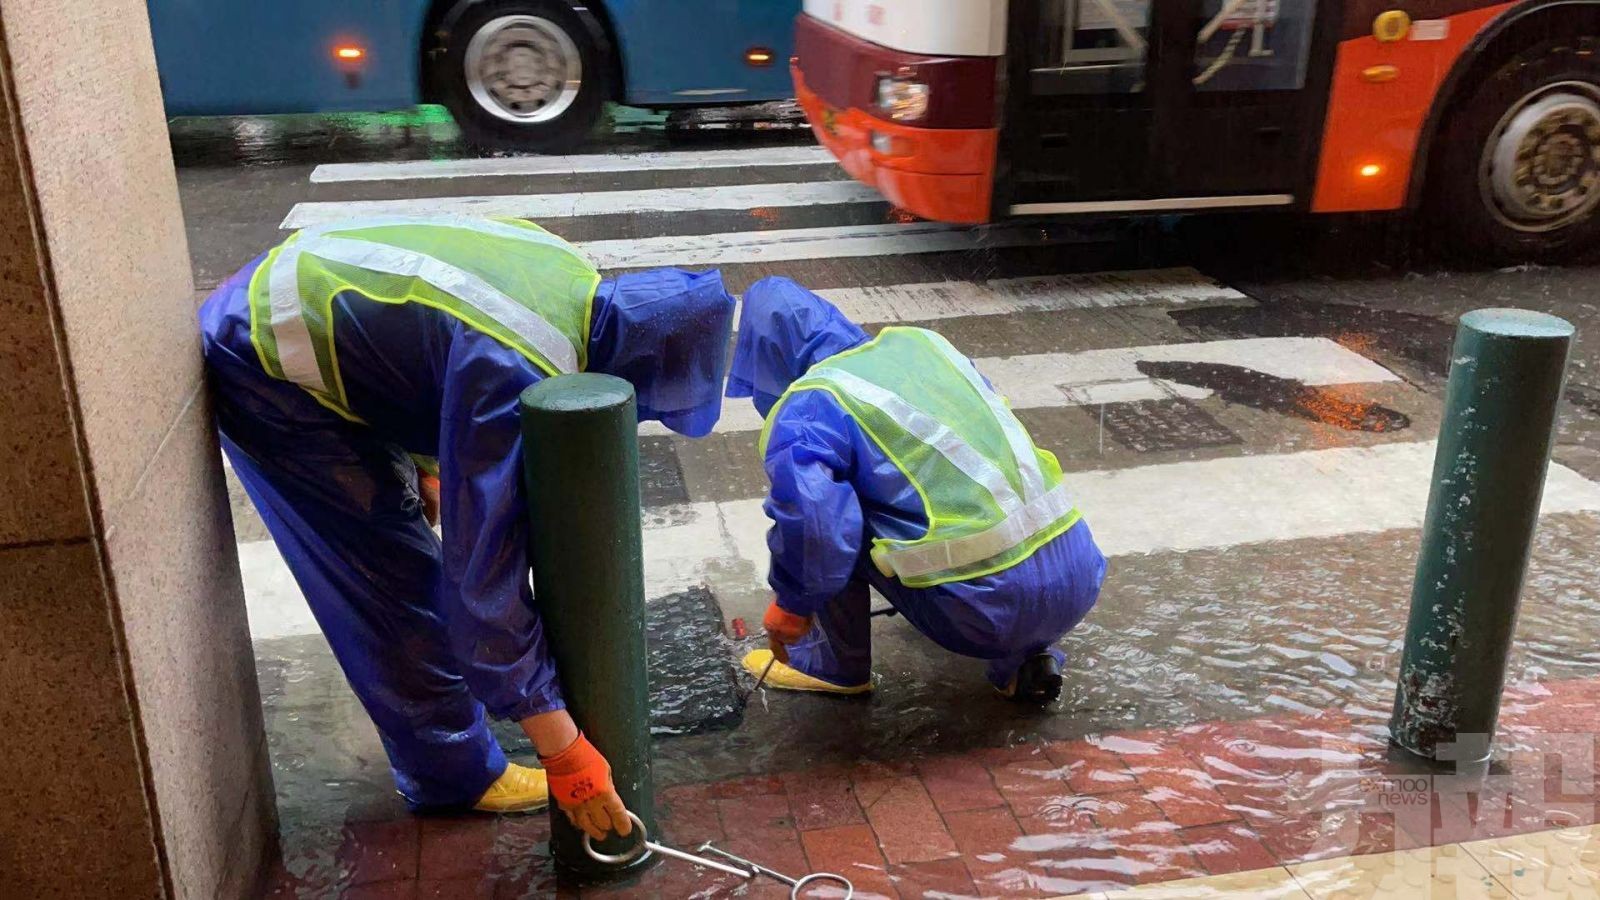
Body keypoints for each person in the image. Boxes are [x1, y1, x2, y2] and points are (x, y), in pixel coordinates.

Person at [200, 217, 735, 836]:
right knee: (392, 580)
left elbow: (425, 344)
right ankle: (453, 775)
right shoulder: (517, 369)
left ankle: (457, 739)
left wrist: (429, 463)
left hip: (300, 298)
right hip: (262, 360)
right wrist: (561, 748)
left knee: (406, 544)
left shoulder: (570, 278)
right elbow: (485, 579)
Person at [726, 277, 1106, 703]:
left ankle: (832, 666)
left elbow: (815, 525)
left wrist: (792, 605)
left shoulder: (812, 403)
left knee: (828, 526)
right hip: (1078, 575)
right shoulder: (923, 346)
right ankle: (1026, 661)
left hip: (982, 610)